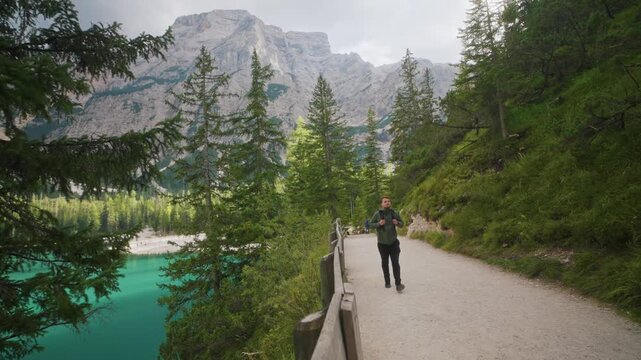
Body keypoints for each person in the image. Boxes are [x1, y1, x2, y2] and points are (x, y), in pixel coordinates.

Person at [370, 196, 405, 292]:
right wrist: (378, 224)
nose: (387, 203)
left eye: (389, 201)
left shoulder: (394, 213)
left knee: (395, 263)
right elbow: (370, 225)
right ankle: (387, 282)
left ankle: (398, 284)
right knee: (385, 263)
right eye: (385, 201)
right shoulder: (377, 214)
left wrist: (397, 222)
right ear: (382, 204)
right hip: (382, 244)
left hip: (393, 242)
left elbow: (402, 224)